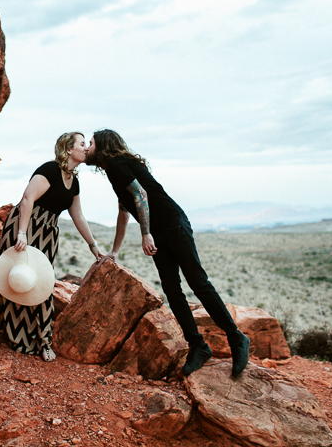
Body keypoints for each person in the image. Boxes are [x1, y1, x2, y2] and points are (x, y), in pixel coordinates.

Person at [84, 129, 250, 377]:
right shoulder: (113, 169)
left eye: (91, 143)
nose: (87, 147)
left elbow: (141, 194)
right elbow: (123, 211)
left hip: (172, 224)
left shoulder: (118, 164)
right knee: (172, 289)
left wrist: (145, 233)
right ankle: (198, 346)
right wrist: (115, 251)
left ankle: (237, 339)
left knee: (198, 282)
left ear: (104, 146)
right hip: (160, 230)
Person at [0, 132, 103, 361]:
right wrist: (21, 232)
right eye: (82, 144)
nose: (86, 148)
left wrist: (93, 245)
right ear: (68, 149)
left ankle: (41, 339)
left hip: (48, 232)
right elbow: (27, 199)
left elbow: (78, 216)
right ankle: (12, 331)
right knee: (18, 277)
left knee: (41, 284)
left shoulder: (74, 181)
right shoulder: (50, 169)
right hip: (26, 225)